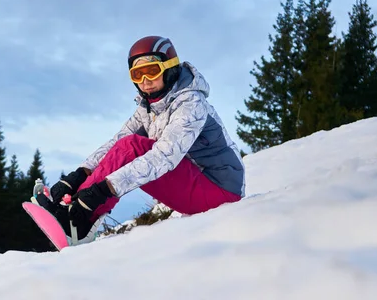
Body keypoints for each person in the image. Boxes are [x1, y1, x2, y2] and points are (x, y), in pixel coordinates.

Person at [36, 35, 246, 243]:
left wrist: (102, 190)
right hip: (197, 184)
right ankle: (70, 209)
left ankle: (79, 220)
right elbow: (116, 145)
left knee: (133, 147)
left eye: (152, 71)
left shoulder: (191, 103)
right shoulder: (149, 107)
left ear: (169, 68)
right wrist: (78, 176)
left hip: (221, 193)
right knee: (125, 145)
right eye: (138, 75)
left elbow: (164, 157)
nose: (145, 82)